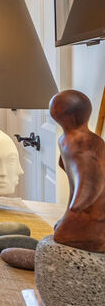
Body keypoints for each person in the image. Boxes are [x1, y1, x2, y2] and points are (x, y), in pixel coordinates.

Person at [51, 89, 105, 253]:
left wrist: (79, 204)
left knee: (62, 235)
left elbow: (90, 177)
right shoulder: (66, 139)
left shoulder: (82, 142)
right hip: (81, 204)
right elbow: (67, 165)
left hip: (92, 209)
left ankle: (90, 234)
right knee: (62, 228)